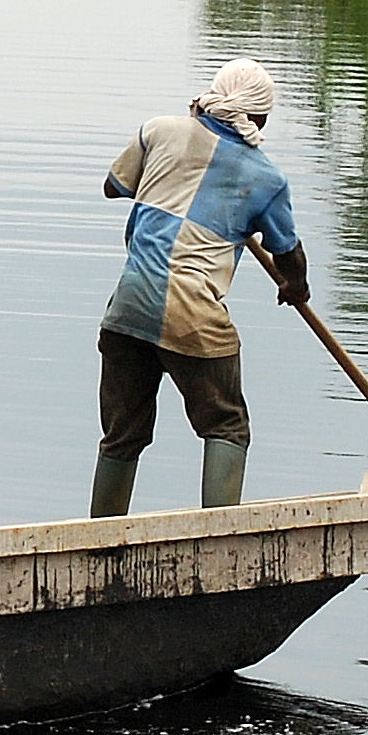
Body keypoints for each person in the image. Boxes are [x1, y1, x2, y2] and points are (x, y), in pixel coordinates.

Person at [92, 57, 308, 516]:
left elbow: (114, 187)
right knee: (227, 426)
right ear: (260, 118)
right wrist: (296, 288)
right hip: (192, 315)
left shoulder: (159, 131)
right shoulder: (266, 178)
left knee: (121, 435)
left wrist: (167, 178)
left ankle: (99, 541)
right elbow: (289, 254)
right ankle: (219, 536)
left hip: (128, 307)